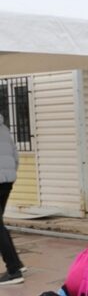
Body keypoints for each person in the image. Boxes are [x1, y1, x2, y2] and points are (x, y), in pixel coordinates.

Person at [0, 114, 25, 285]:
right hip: (7, 181)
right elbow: (15, 156)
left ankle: (14, 270)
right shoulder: (4, 128)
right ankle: (17, 264)